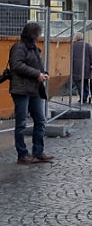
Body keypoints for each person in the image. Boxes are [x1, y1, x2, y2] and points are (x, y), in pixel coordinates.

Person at [8, 22, 54, 164]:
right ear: (33, 34)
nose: (40, 36)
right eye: (38, 33)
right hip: (21, 90)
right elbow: (16, 65)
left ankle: (38, 151)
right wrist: (37, 74)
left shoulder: (34, 48)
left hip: (34, 90)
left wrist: (44, 73)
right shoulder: (19, 47)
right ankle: (22, 154)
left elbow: (38, 65)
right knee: (21, 123)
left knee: (40, 120)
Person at [70, 31, 92, 104]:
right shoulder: (88, 45)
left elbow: (71, 57)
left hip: (76, 68)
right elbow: (91, 56)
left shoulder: (73, 46)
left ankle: (82, 97)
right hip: (86, 68)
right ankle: (84, 97)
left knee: (79, 84)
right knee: (85, 83)